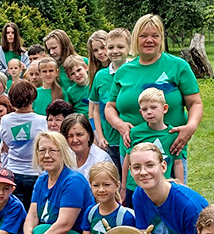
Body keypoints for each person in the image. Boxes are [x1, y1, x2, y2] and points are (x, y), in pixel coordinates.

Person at [105, 14, 203, 183]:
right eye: (143, 36)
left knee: (172, 202)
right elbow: (110, 107)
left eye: (155, 36)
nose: (149, 40)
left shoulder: (178, 66)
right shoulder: (123, 71)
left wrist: (190, 127)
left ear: (161, 39)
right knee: (135, 202)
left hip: (170, 149)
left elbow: (195, 103)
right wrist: (120, 125)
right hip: (132, 152)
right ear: (135, 39)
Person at [4, 131, 95, 234]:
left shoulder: (73, 181)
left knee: (39, 230)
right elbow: (32, 216)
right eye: (42, 151)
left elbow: (64, 225)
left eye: (52, 150)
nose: (47, 155)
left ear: (63, 152)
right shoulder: (41, 180)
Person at [121, 88, 182, 205]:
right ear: (140, 112)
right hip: (134, 187)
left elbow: (178, 163)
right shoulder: (135, 133)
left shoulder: (173, 135)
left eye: (153, 107)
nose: (149, 112)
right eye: (144, 109)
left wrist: (182, 187)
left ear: (164, 108)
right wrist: (123, 188)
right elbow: (127, 160)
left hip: (161, 188)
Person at [0, 81, 47, 210]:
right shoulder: (42, 121)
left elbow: (5, 146)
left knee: (16, 211)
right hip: (37, 173)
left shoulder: (5, 120)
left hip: (14, 171)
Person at [95, 27, 131, 174]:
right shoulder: (100, 76)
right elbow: (95, 109)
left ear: (129, 48)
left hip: (132, 137)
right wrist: (100, 136)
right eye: (110, 47)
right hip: (111, 140)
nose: (115, 51)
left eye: (120, 47)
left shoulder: (135, 72)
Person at [60, 113, 113, 180]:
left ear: (89, 135)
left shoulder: (101, 160)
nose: (75, 140)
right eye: (70, 136)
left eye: (79, 135)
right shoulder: (63, 156)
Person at [43, 29, 87, 96]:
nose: (51, 52)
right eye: (49, 49)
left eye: (54, 48)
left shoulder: (83, 61)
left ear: (64, 45)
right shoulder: (52, 68)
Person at [86, 30, 110, 150]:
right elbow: (93, 108)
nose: (100, 53)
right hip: (104, 132)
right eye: (95, 50)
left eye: (103, 47)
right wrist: (96, 134)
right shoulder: (96, 74)